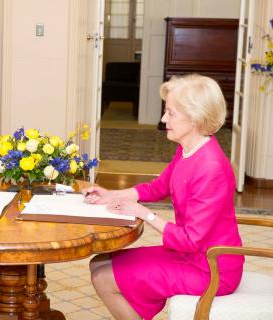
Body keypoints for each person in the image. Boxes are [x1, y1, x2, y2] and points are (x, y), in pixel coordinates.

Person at [84, 74, 244, 320]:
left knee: (103, 277)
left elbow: (190, 239)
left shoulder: (210, 167)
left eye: (171, 113)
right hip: (190, 255)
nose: (163, 119)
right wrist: (110, 195)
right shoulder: (188, 149)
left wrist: (143, 214)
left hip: (211, 267)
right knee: (99, 263)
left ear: (194, 118)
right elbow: (159, 187)